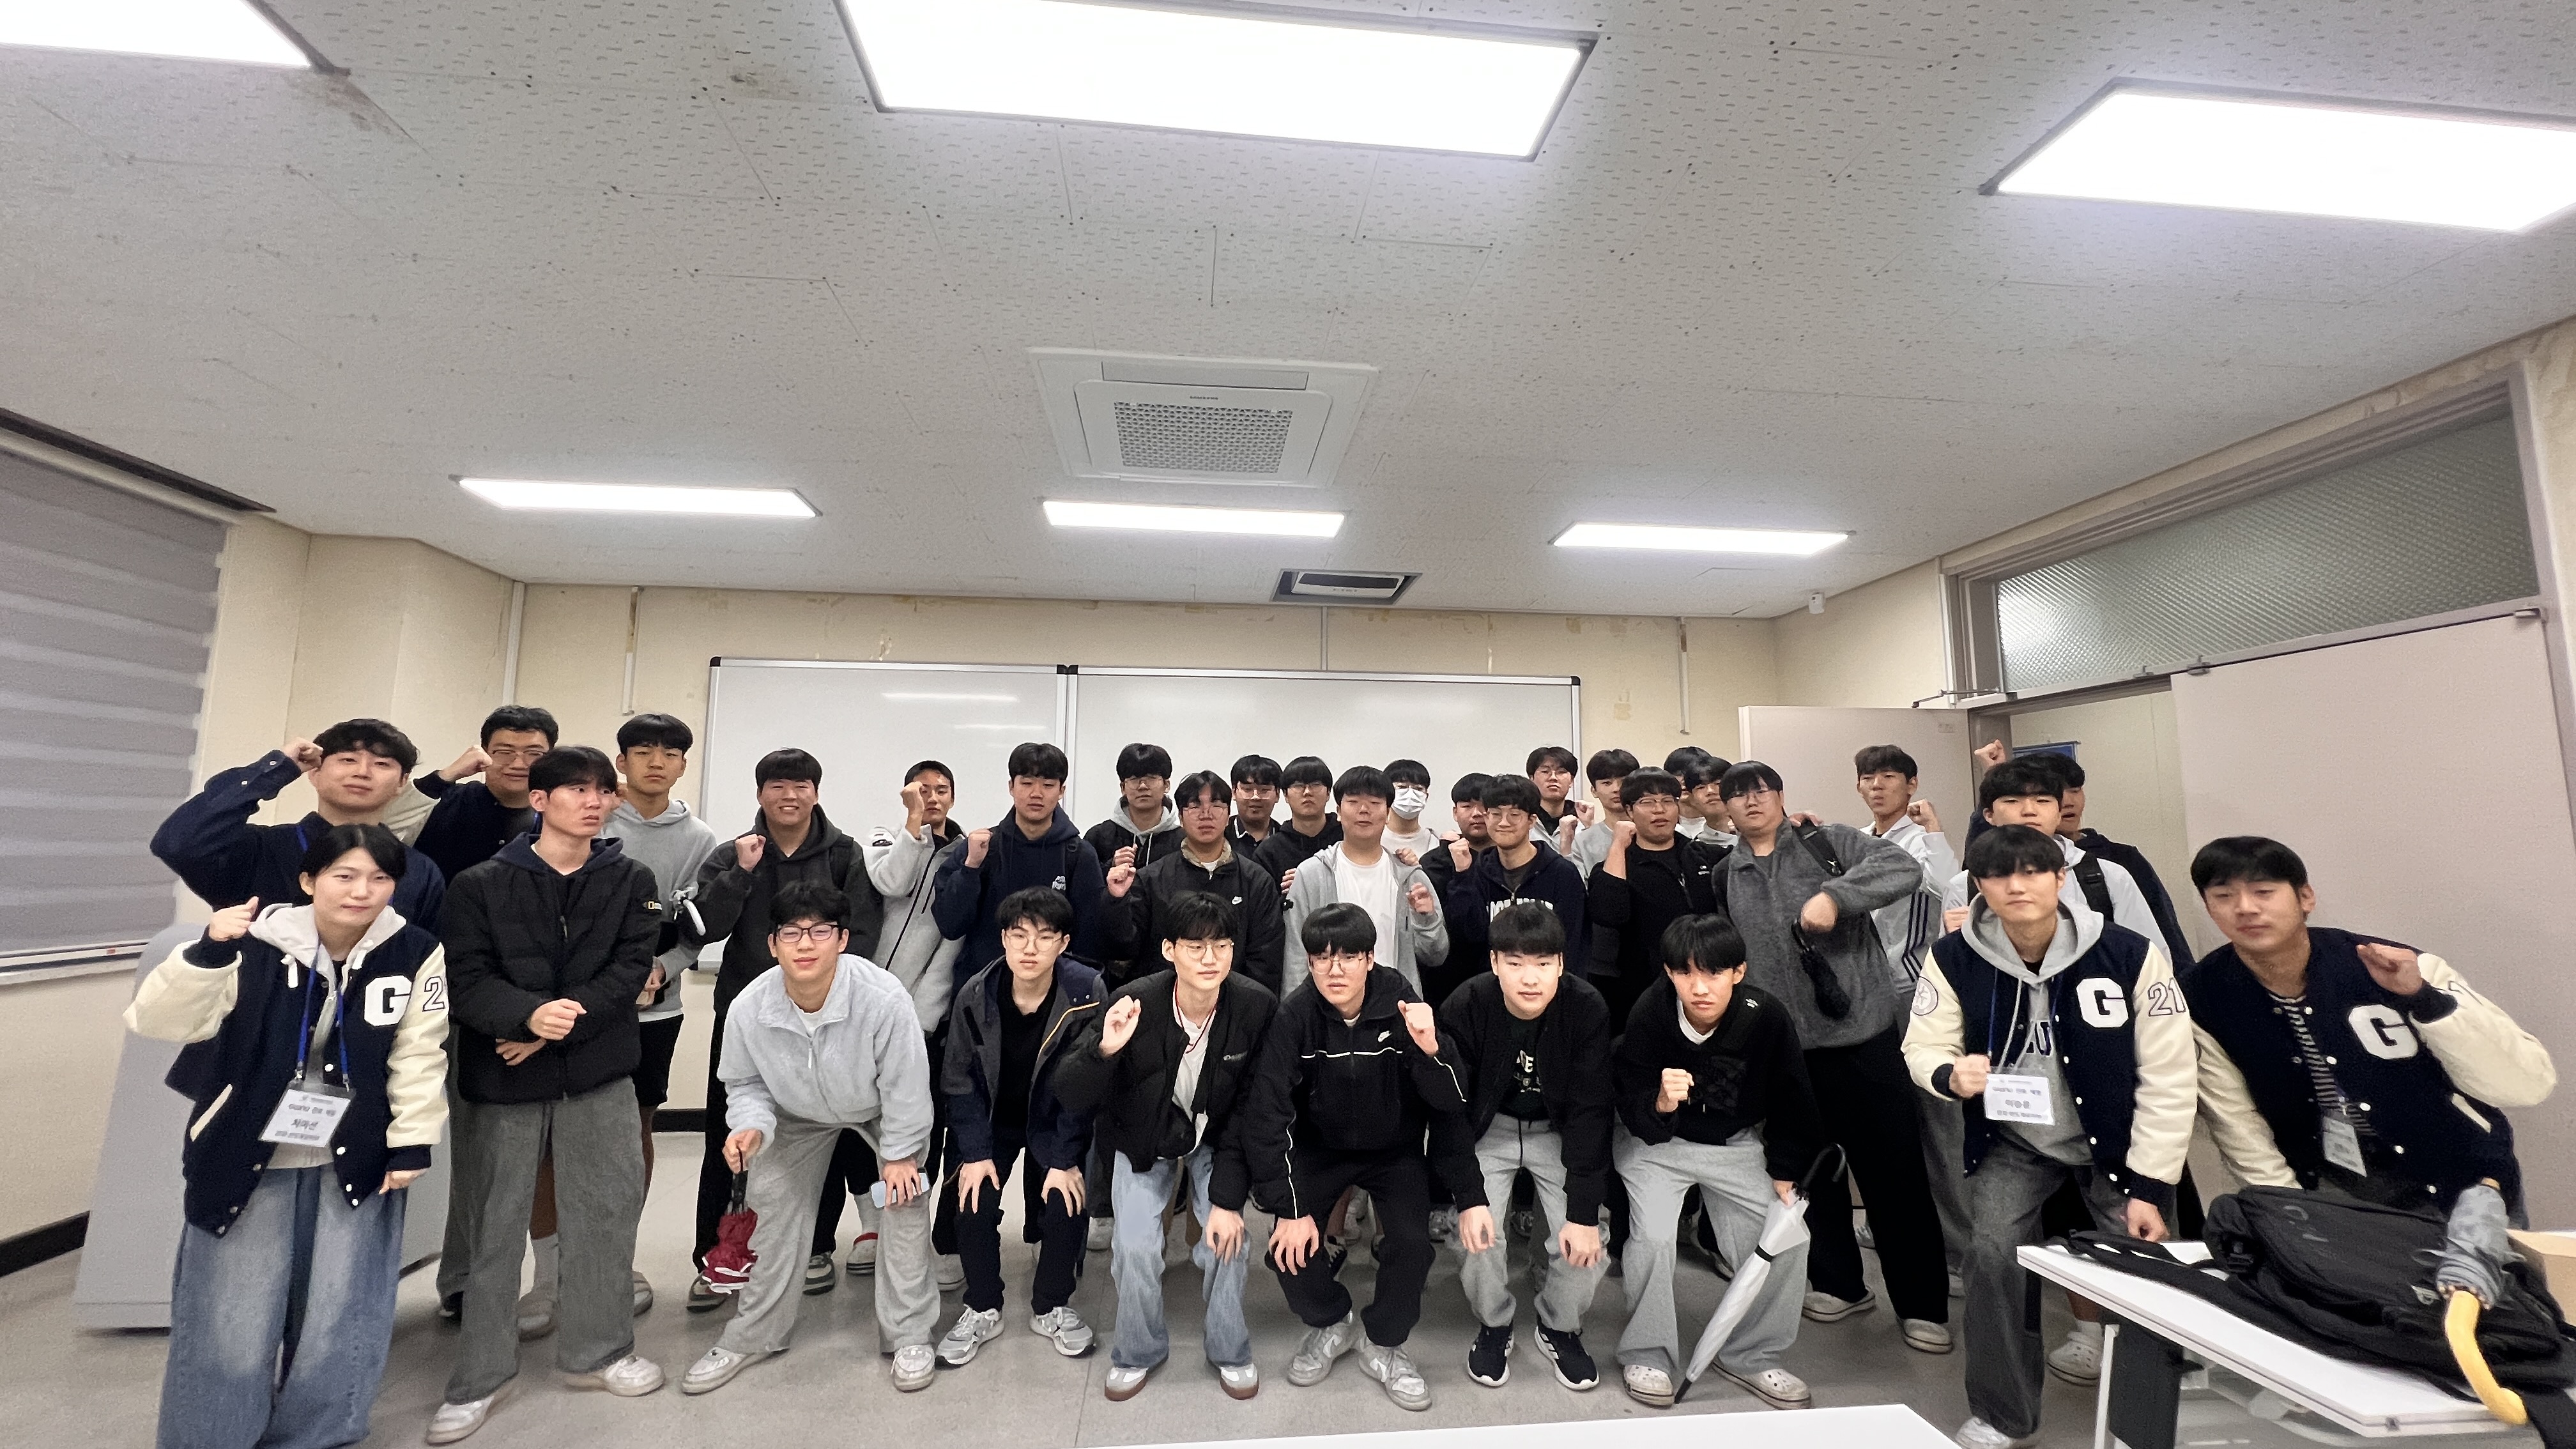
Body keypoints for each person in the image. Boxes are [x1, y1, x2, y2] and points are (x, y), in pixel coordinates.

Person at [130, 825, 448, 1449]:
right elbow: (161, 1020)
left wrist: (412, 1140)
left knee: (340, 1312)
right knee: (232, 1316)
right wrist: (209, 952)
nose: (362, 891)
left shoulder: (414, 950)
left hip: (355, 1153)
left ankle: (319, 1435)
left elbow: (419, 1051)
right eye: (344, 876)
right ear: (308, 881)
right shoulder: (251, 940)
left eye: (379, 879)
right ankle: (213, 1437)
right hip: (247, 1149)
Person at [1903, 825, 2196, 1449]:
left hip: (2119, 1143)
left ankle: (2156, 1420)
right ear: (1978, 887)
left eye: (2033, 871)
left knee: (2148, 1273)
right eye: (1998, 875)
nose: (2017, 886)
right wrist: (1948, 1074)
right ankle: (2003, 1414)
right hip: (2016, 1140)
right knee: (1991, 1256)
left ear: (2060, 879)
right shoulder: (1954, 956)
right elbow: (1923, 1041)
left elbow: (2172, 1071)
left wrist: (2151, 1183)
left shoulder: (2128, 953)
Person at [431, 746, 664, 1444]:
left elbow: (629, 970)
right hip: (501, 1075)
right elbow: (465, 978)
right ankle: (481, 1376)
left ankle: (601, 1352)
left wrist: (552, 1026)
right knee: (493, 1225)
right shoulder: (479, 884)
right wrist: (526, 1018)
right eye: (575, 790)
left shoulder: (631, 879)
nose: (594, 802)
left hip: (598, 1069)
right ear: (539, 801)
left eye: (603, 791)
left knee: (605, 1214)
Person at [2184, 836, 2556, 1220]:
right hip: (2336, 1196)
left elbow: (2528, 1084)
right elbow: (2237, 1121)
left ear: (2305, 897)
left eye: (2264, 892)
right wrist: (2293, 1212)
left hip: (2466, 1181)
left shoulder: (2394, 965)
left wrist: (2423, 998)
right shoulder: (2204, 996)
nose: (2245, 908)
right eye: (2224, 896)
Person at [1714, 761, 1950, 1353]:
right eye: (1738, 795)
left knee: (1895, 1177)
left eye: (1762, 790)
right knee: (1810, 1179)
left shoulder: (1828, 842)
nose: (1752, 801)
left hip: (1864, 1040)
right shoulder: (1725, 873)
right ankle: (1840, 1285)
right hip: (1787, 1052)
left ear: (1780, 795)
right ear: (1726, 807)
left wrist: (1835, 896)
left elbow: (1904, 868)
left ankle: (1922, 1306)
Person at [682, 882, 941, 1395]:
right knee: (770, 1205)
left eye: (820, 931)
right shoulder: (749, 1007)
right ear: (772, 944)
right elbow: (745, 1083)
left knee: (903, 1198)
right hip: (795, 1115)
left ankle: (909, 1333)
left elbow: (907, 1086)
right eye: (791, 933)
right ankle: (754, 1335)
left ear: (842, 939)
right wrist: (750, 1126)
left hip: (879, 1112)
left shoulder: (883, 998)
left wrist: (899, 1155)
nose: (805, 943)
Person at [684, 747, 888, 1309]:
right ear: (760, 794)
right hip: (746, 1018)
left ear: (816, 793)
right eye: (777, 785)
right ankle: (715, 1255)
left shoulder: (844, 854)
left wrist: (827, 996)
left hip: (823, 1021)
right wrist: (740, 873)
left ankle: (816, 1247)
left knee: (820, 1130)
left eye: (801, 785)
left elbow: (860, 934)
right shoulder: (734, 853)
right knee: (730, 1137)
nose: (789, 795)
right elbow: (706, 928)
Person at [1241, 903, 1467, 1413]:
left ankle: (1384, 1343)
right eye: (1322, 958)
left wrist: (1433, 1050)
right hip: (1321, 1149)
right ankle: (1331, 1321)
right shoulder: (1295, 1016)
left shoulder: (1403, 1005)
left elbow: (1451, 1100)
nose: (1335, 969)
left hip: (1394, 1150)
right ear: (1309, 962)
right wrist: (1289, 1209)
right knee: (1287, 1249)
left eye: (1347, 957)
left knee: (1413, 1246)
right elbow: (1266, 1115)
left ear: (1370, 959)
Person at [1056, 889, 1280, 1402]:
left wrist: (1227, 1202)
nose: (1209, 958)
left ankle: (1229, 1348)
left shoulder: (1255, 1006)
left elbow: (1252, 1106)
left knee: (1230, 1239)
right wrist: (1105, 1049)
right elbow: (1069, 1092)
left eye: (1221, 946)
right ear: (1168, 950)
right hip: (1142, 1137)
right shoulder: (1133, 1001)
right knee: (1134, 1245)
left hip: (1218, 1137)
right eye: (1195, 946)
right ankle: (1138, 1350)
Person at [1612, 914, 1821, 1411]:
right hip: (1658, 1146)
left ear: (1738, 972)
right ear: (1669, 973)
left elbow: (1794, 1099)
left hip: (1734, 1143)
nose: (1699, 987)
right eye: (1685, 973)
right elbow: (1625, 1099)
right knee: (1653, 1238)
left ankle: (1751, 1353)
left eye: (1713, 973)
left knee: (1788, 1238)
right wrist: (1660, 1103)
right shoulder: (1651, 1012)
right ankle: (1647, 1353)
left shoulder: (1765, 1017)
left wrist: (1785, 1170)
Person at [1432, 901, 1614, 1394]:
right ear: (1495, 963)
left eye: (1542, 963)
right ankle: (1495, 1323)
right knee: (1476, 1232)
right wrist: (1469, 1198)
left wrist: (1583, 1213)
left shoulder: (1587, 1008)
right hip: (1488, 1128)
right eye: (1515, 963)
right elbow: (1450, 1110)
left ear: (1561, 964)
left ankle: (1559, 1326)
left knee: (1587, 1238)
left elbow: (1592, 1112)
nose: (1529, 978)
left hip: (1558, 1130)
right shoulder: (1467, 1004)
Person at [588, 712, 724, 1321]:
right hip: (582, 1010)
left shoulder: (699, 838)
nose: (656, 762)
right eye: (643, 751)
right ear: (621, 761)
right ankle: (561, 1266)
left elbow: (695, 930)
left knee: (635, 1131)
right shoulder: (592, 819)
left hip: (653, 1011)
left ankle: (619, 1257)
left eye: (669, 753)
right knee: (563, 1138)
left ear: (683, 766)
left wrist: (664, 969)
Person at [938, 887, 1105, 1365]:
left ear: (1064, 943)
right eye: (1019, 935)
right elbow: (959, 1082)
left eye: (1045, 937)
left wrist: (1064, 1159)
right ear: (1004, 939)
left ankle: (1052, 1306)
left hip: (1055, 1117)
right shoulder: (976, 994)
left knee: (1066, 1200)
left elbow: (1087, 1082)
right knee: (972, 1198)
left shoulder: (1086, 993)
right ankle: (983, 1306)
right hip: (993, 1118)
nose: (1030, 948)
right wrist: (975, 1153)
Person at [1850, 744, 1970, 1301]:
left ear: (1911, 783)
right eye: (1868, 778)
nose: (1877, 786)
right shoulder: (1856, 841)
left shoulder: (1924, 841)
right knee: (1886, 1124)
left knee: (1940, 1125)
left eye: (1889, 776)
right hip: (1866, 997)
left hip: (1915, 993)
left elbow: (1951, 889)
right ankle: (1894, 1226)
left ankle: (1961, 1253)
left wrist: (1938, 832)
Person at [152, 717, 446, 926]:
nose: (363, 772)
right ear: (315, 772)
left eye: (382, 764)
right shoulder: (260, 851)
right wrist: (276, 769)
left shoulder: (418, 870)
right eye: (347, 760)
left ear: (402, 782)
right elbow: (178, 843)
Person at [864, 760, 970, 1289]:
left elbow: (952, 943)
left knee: (925, 1128)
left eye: (941, 789)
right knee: (869, 1127)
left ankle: (928, 1239)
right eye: (921, 789)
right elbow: (892, 882)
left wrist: (919, 1019)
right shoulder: (883, 839)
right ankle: (876, 1228)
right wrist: (913, 827)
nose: (931, 797)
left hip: (924, 1020)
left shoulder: (965, 853)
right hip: (867, 1008)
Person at [932, 740, 1108, 996]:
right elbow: (950, 925)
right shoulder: (981, 848)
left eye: (1048, 785)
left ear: (1061, 791)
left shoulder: (1079, 855)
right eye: (1026, 783)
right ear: (1011, 787)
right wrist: (971, 868)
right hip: (983, 993)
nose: (1036, 793)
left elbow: (1088, 942)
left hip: (1054, 997)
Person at [1102, 770, 1286, 995]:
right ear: (1180, 817)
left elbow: (1266, 961)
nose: (1206, 815)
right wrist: (1116, 899)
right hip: (1167, 1002)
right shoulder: (1151, 879)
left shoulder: (1256, 881)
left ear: (1228, 814)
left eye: (1216, 805)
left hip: (1236, 1005)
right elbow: (1125, 950)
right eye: (1195, 806)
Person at [1939, 758, 2159, 946]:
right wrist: (1955, 941)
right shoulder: (1965, 886)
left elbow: (2149, 958)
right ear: (1989, 815)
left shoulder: (2108, 876)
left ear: (2059, 812)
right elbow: (1946, 971)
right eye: (2012, 801)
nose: (2029, 811)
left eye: (2043, 800)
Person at [1281, 765, 1448, 995]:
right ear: (1339, 812)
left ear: (1388, 813)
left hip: (1395, 1003)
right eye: (1353, 802)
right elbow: (1296, 955)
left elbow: (1436, 955)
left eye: (1374, 803)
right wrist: (1296, 1011)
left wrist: (1426, 919)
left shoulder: (1411, 877)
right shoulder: (1311, 874)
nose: (1364, 810)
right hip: (1327, 1004)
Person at [1584, 768, 1728, 1025]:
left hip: (1707, 982)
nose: (1659, 810)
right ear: (1629, 811)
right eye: (1647, 802)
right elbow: (1610, 914)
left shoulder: (1705, 856)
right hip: (1643, 992)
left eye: (1667, 801)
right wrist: (1618, 844)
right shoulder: (1617, 866)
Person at [2045, 754, 2193, 965]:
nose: (2069, 802)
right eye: (2054, 793)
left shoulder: (2121, 858)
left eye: (2075, 790)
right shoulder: (2011, 864)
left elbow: (2166, 932)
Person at [1440, 774, 1589, 983]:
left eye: (1514, 814)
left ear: (1532, 820)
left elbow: (1574, 946)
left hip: (1548, 988)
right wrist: (1463, 876)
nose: (1503, 823)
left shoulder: (1562, 873)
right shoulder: (1476, 872)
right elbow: (1466, 940)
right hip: (1491, 990)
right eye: (1495, 814)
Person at [411, 705, 558, 886]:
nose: (519, 764)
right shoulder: (447, 801)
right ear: (484, 753)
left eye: (534, 754)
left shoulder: (564, 816)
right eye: (504, 752)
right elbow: (393, 820)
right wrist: (447, 774)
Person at [1085, 741, 1183, 870]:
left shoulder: (1184, 841)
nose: (1143, 786)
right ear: (1123, 788)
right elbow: (1082, 881)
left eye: (1151, 778)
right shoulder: (1098, 838)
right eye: (1134, 779)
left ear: (1167, 785)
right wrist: (1110, 867)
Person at [1252, 755, 1342, 882]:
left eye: (1316, 785)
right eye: (1299, 786)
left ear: (1328, 793)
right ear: (1285, 795)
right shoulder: (1269, 852)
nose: (1307, 792)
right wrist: (1295, 890)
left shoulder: (1347, 838)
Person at [1566, 749, 1639, 877]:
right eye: (1607, 783)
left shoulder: (1656, 831)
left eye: (1623, 782)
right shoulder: (1583, 841)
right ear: (1594, 791)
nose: (1616, 789)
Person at [1382, 758, 1441, 862]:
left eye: (1419, 789)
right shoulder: (1373, 838)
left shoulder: (1436, 841)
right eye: (1402, 787)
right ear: (1387, 794)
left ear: (1426, 797)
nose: (1410, 794)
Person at [1227, 754, 1284, 854]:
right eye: (1247, 789)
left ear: (1277, 794)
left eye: (1264, 790)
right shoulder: (1219, 836)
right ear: (1234, 792)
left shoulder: (1286, 840)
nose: (1255, 797)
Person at [1527, 745, 1581, 836]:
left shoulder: (1582, 819)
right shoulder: (1523, 819)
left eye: (1561, 772)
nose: (1553, 778)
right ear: (1532, 778)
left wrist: (1589, 826)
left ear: (1571, 780)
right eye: (1545, 771)